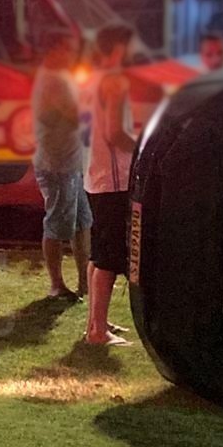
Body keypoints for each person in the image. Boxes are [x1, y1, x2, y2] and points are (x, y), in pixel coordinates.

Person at [84, 25, 138, 347]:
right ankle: (97, 331)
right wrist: (141, 147)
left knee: (98, 252)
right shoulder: (114, 80)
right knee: (109, 257)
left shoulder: (91, 76)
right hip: (113, 177)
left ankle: (96, 321)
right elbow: (114, 132)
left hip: (95, 175)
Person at [31, 30, 92, 299]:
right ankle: (57, 285)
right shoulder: (52, 80)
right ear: (54, 49)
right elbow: (75, 116)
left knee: (82, 223)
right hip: (57, 164)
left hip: (72, 161)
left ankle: (84, 282)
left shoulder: (61, 75)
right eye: (68, 48)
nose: (72, 53)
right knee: (57, 225)